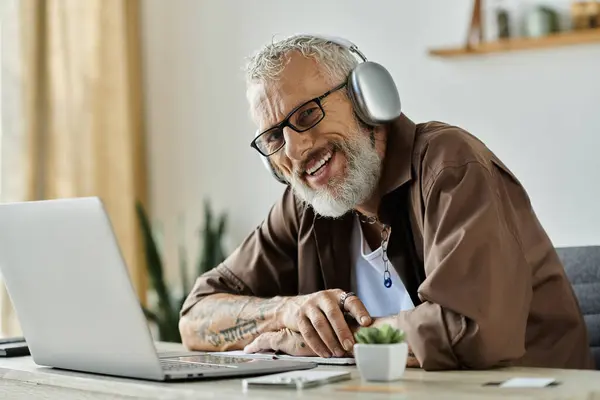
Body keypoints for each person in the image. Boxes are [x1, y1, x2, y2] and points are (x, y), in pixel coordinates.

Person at [178, 34, 594, 371]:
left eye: (307, 115)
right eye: (273, 137)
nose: (295, 148)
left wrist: (323, 342)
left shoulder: (451, 166)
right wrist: (286, 313)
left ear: (366, 98)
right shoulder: (305, 205)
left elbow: (474, 329)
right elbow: (196, 316)